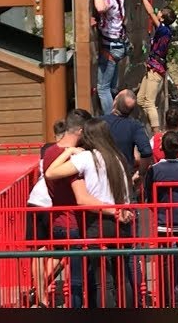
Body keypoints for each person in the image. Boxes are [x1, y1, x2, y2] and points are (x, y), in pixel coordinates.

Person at [45, 118, 136, 308]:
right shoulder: (118, 157)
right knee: (122, 278)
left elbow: (51, 172)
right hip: (122, 221)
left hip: (99, 221)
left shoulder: (87, 157)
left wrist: (68, 151)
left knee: (103, 281)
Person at [41, 109, 95, 308]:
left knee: (66, 267)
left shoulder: (49, 152)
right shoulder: (74, 158)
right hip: (74, 222)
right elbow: (81, 195)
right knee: (77, 280)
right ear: (80, 131)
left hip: (57, 219)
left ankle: (39, 291)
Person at [145, 131, 178, 307]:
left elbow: (148, 195)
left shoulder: (154, 170)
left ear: (162, 148)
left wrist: (157, 208)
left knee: (164, 261)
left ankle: (165, 298)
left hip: (163, 222)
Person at [24, 119, 68, 307]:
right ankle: (40, 289)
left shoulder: (46, 150)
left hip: (35, 200)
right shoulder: (66, 151)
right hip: (51, 203)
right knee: (64, 250)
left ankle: (40, 295)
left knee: (38, 252)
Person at [92, 0, 127, 116]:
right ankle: (116, 112)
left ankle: (111, 120)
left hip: (111, 46)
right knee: (112, 86)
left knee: (103, 88)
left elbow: (99, 7)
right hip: (119, 45)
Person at [134, 0, 176, 132]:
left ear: (162, 19)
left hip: (155, 70)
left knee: (149, 103)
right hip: (152, 68)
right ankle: (148, 127)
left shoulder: (163, 30)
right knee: (141, 100)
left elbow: (150, 12)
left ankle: (157, 133)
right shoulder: (166, 30)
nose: (158, 13)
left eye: (161, 13)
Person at [101, 90, 154, 195]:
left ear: (114, 102)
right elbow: (147, 152)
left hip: (101, 175)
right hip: (124, 177)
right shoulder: (135, 126)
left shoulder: (99, 122)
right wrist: (140, 174)